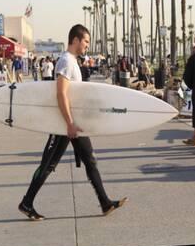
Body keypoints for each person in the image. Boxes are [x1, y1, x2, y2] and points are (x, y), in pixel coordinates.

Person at [18, 24, 128, 220]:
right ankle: (27, 202)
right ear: (75, 40)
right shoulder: (66, 62)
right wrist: (69, 123)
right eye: (85, 41)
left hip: (73, 124)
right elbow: (61, 94)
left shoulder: (72, 62)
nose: (87, 45)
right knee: (48, 165)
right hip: (64, 125)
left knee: (90, 160)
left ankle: (104, 202)